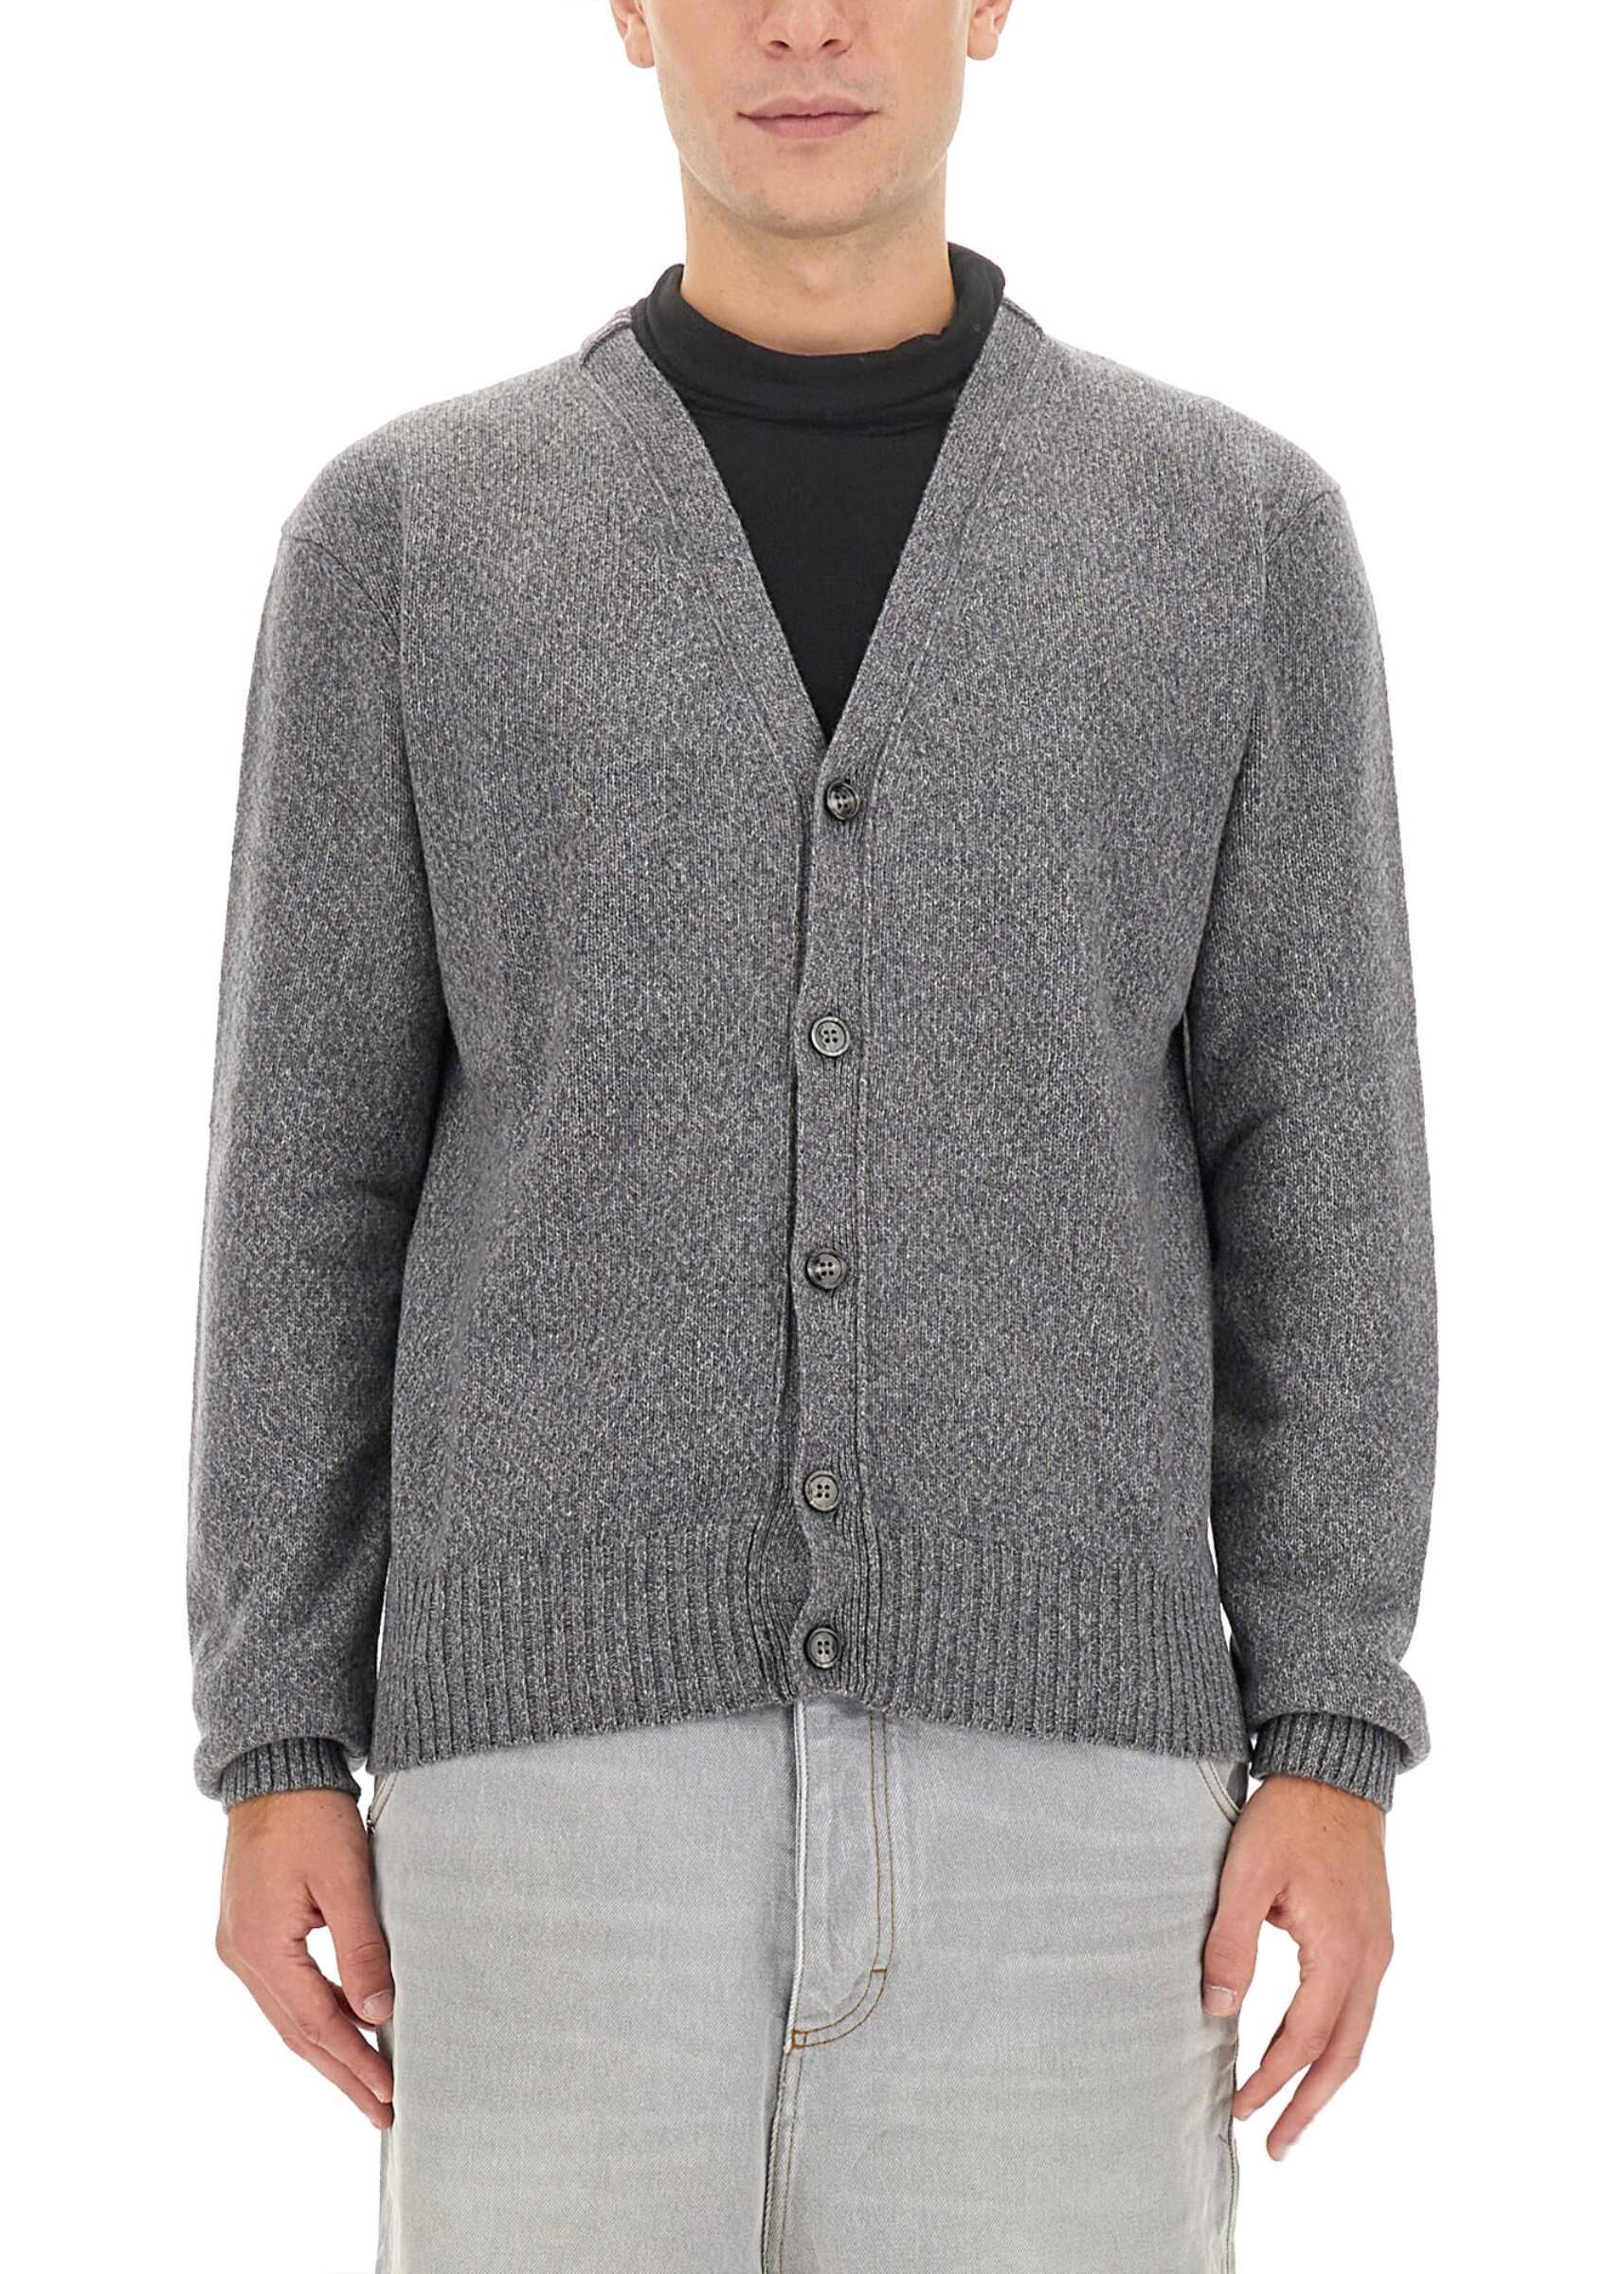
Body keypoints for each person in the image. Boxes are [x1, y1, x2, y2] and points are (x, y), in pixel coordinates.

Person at [188, 4, 1437, 2267]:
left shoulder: (1228, 539)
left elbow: (1319, 1171)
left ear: (987, 7)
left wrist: (1330, 1733)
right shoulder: (409, 541)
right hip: (545, 1811)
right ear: (625, 13)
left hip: (1080, 1828)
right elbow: (306, 1178)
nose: (802, 22)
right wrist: (276, 1734)